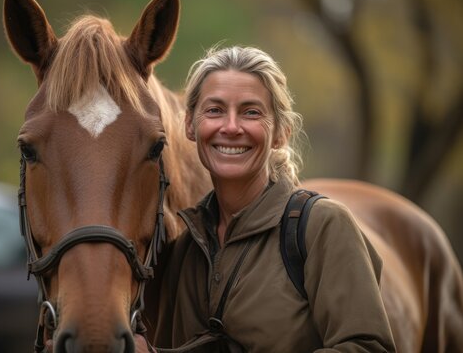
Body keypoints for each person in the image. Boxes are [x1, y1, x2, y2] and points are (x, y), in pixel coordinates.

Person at [139, 46, 396, 352]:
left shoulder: (323, 227)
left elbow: (368, 347)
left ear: (281, 132)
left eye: (251, 112)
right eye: (215, 110)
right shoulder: (184, 249)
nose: (231, 127)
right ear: (190, 126)